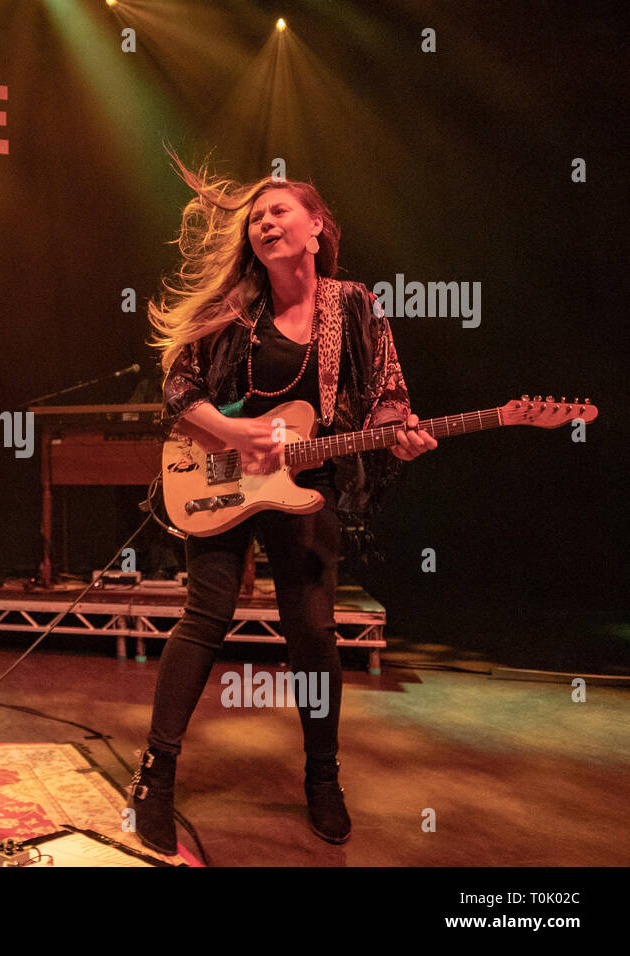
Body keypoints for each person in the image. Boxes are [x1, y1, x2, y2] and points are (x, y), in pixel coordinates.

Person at [129, 160, 437, 853]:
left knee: (313, 634)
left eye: (279, 212)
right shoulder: (233, 309)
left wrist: (401, 432)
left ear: (315, 226)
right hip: (218, 477)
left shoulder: (354, 306)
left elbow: (388, 395)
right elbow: (180, 393)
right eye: (257, 217)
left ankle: (323, 778)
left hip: (308, 483)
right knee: (204, 616)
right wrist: (239, 435)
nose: (265, 222)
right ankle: (155, 775)